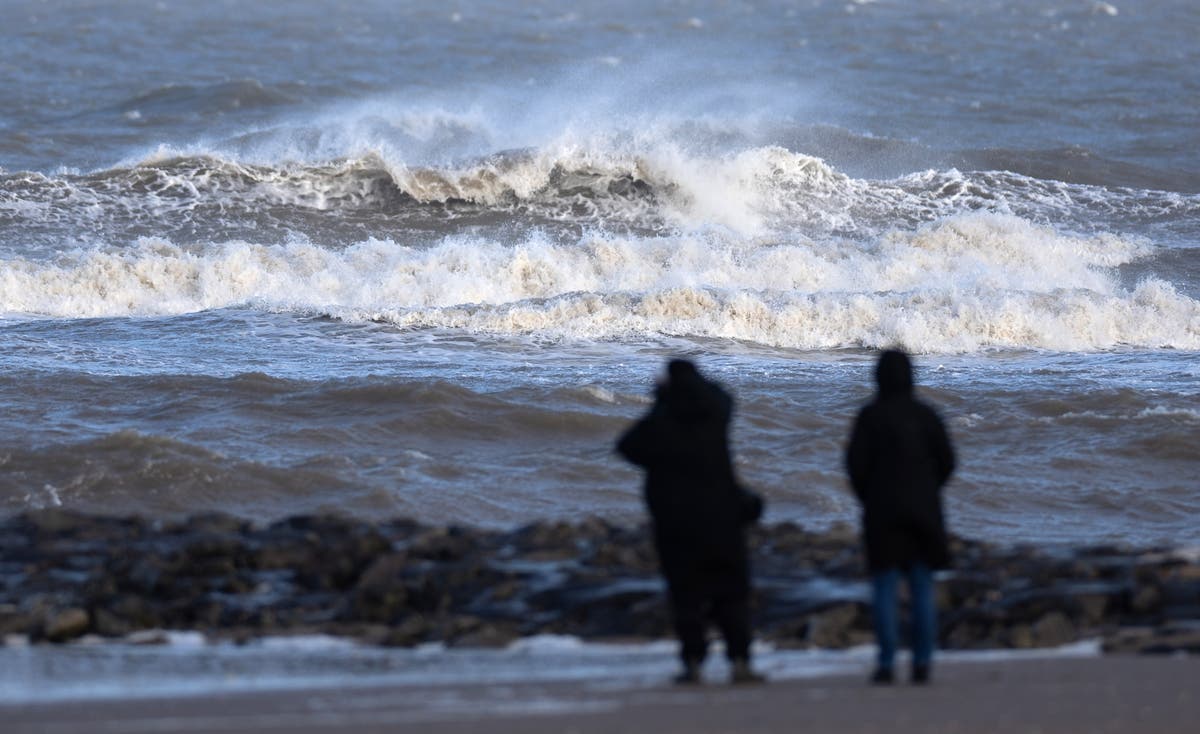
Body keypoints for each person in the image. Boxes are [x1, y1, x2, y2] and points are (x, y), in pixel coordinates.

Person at [616, 359, 764, 685]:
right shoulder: (715, 416)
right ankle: (740, 661)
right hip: (722, 519)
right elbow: (726, 398)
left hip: (677, 524)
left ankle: (693, 664)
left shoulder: (662, 423)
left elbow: (627, 446)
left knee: (686, 595)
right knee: (731, 593)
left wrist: (661, 401)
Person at [845, 349, 955, 685]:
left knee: (885, 586)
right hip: (923, 510)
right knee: (922, 586)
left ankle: (886, 663)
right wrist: (929, 489)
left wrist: (869, 497)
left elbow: (855, 466)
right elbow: (948, 461)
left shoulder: (870, 416)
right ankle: (922, 663)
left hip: (882, 511)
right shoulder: (926, 415)